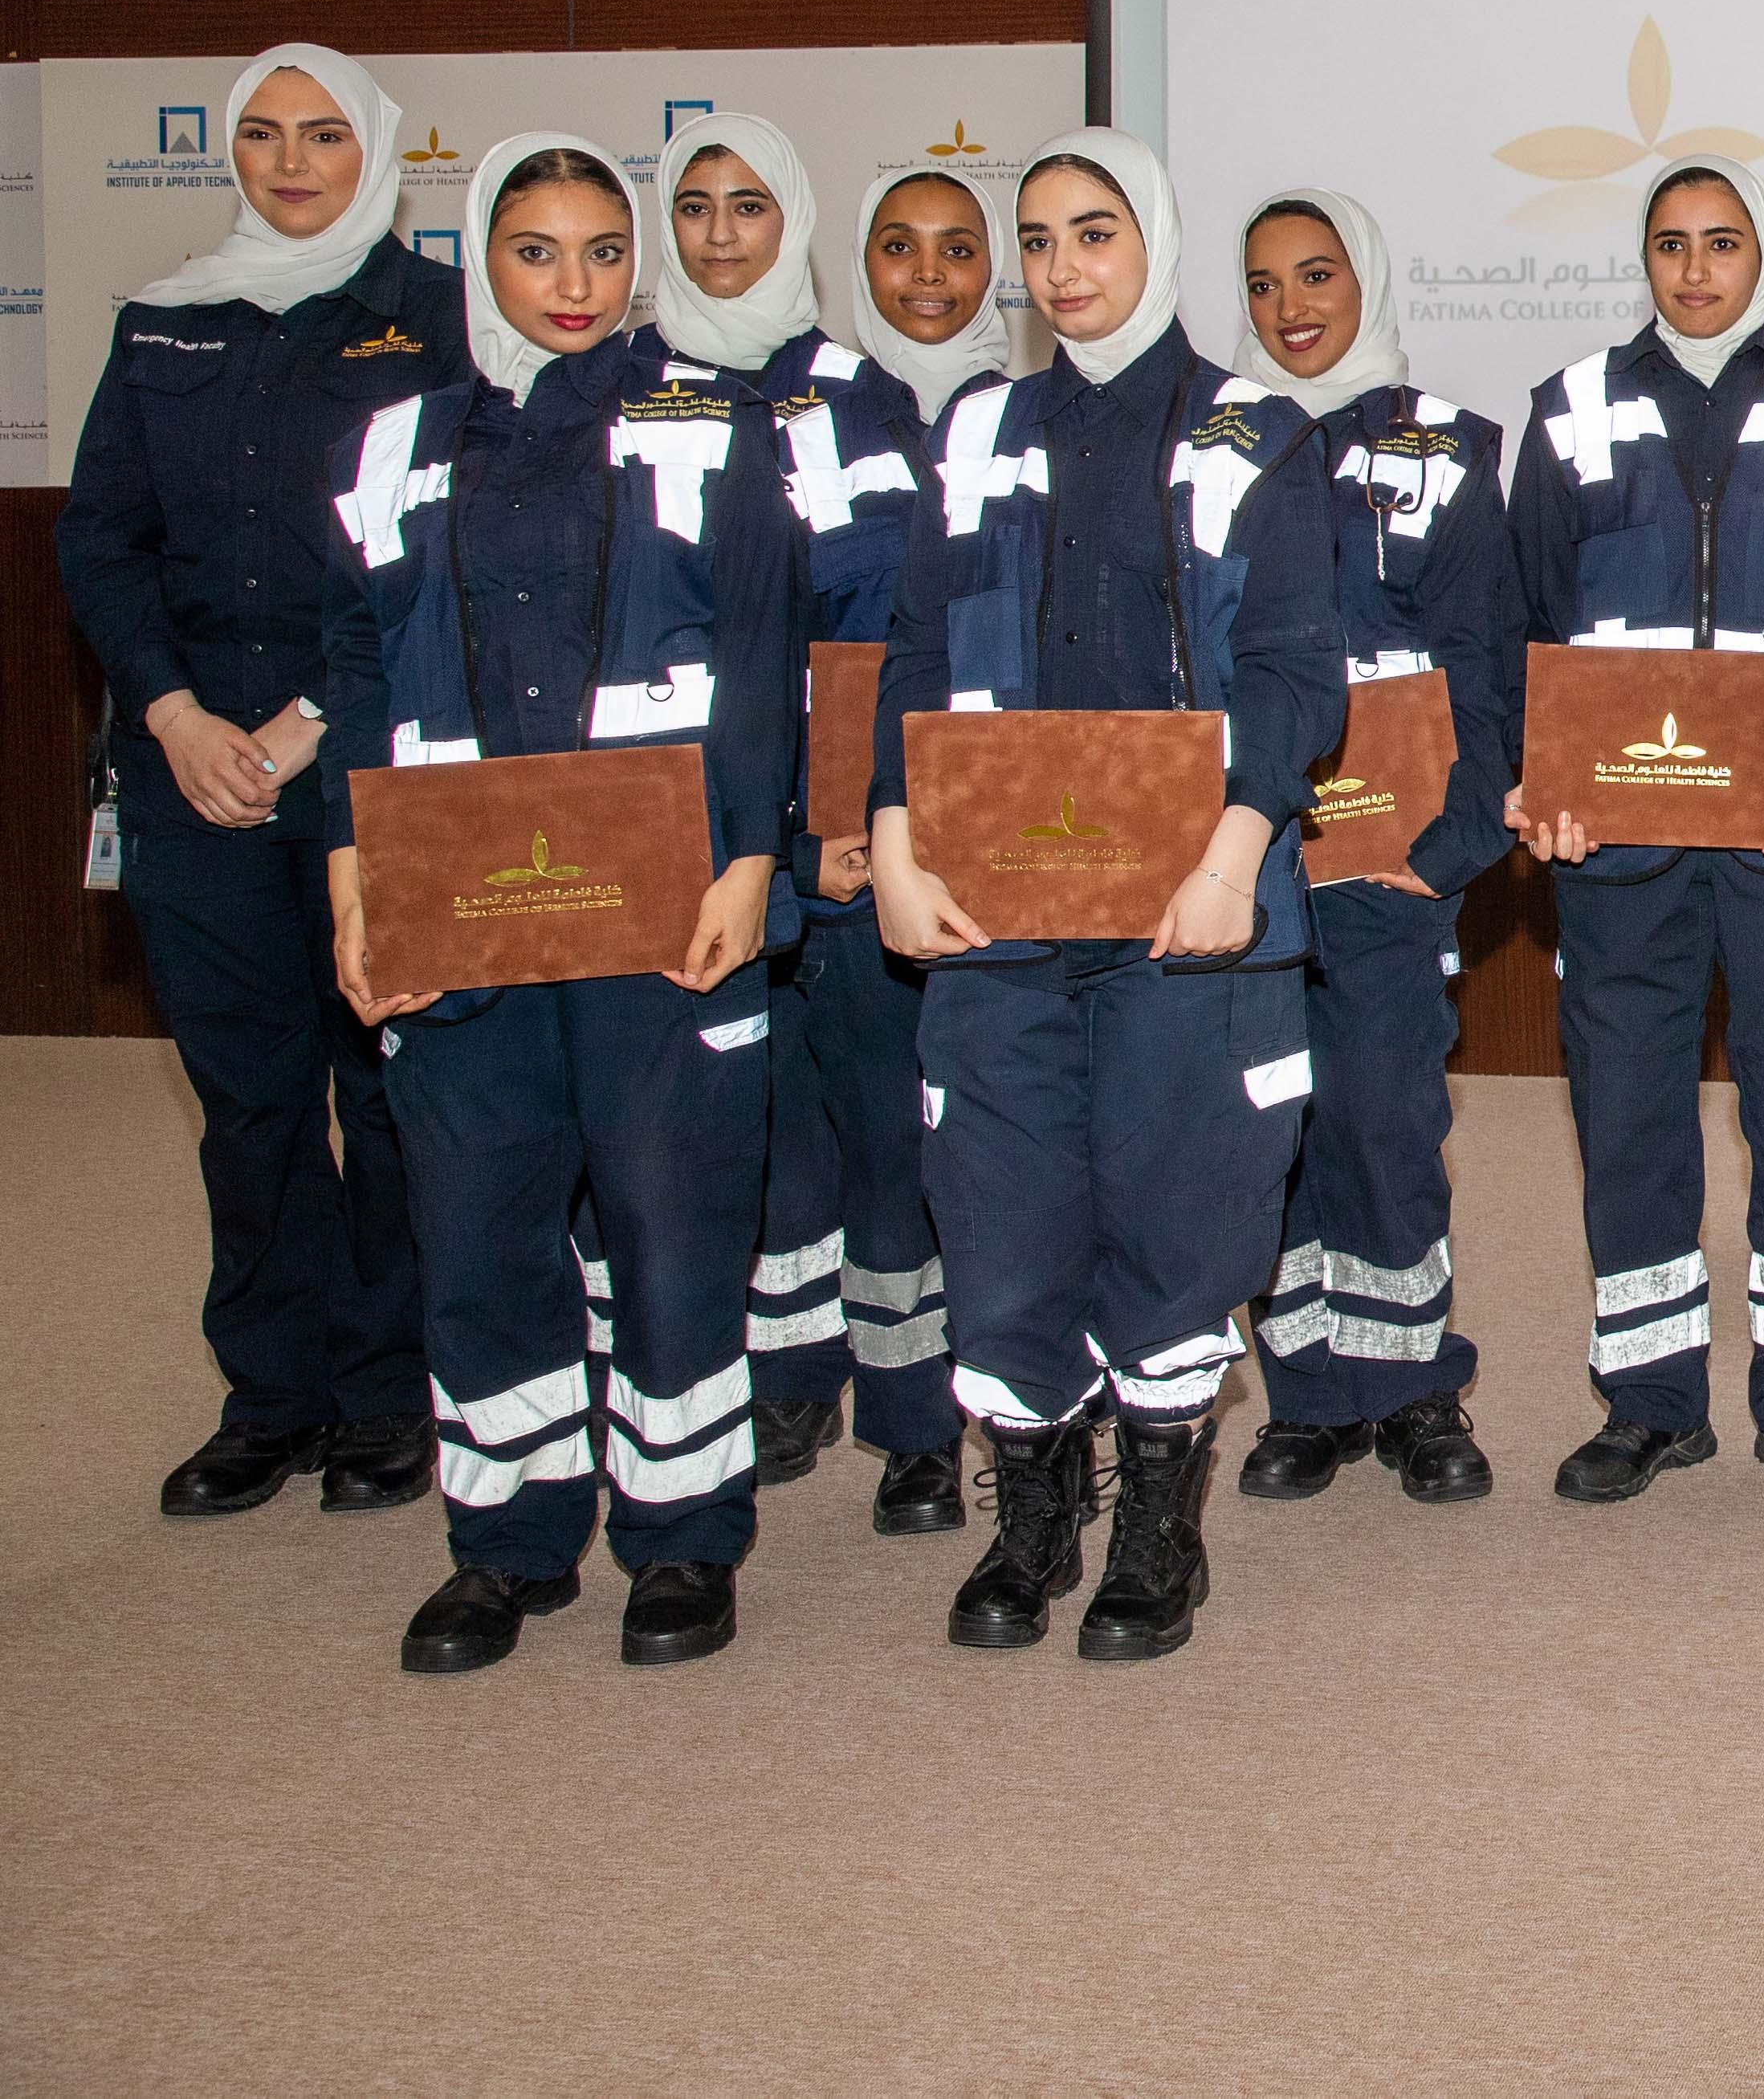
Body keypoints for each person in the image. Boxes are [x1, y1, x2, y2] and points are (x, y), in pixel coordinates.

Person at [320, 134, 800, 1673]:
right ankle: (507, 1538)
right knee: (477, 1223)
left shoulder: (712, 417)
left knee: (671, 1218)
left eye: (603, 251)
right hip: (456, 900)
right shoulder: (393, 441)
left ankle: (683, 1533)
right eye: (536, 252)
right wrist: (353, 880)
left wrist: (749, 861)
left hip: (667, 897)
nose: (573, 284)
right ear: (481, 260)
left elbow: (763, 652)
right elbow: (353, 671)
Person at [867, 129, 1339, 1662]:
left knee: (1179, 1215)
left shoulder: (1256, 430)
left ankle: (1155, 1527)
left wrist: (1233, 855)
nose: (1063, 267)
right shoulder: (975, 427)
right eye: (1041, 239)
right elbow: (916, 651)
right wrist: (892, 835)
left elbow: (1295, 673)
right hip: (996, 910)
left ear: (1154, 240)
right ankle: (1032, 1513)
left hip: (1188, 913)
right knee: (1000, 1217)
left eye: (1095, 232)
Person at [59, 43, 466, 1522]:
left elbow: (441, 545)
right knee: (249, 1098)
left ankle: (388, 1393)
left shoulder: (437, 319)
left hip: (364, 746)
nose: (293, 163)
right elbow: (101, 539)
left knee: (391, 1088)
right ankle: (270, 1398)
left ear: (376, 150)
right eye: (266, 135)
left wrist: (305, 724)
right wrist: (171, 716)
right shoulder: (164, 317)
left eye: (325, 135)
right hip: (190, 764)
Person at [1505, 157, 1764, 1508]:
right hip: (1619, 849)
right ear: (1645, 258)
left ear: (1762, 254)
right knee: (1628, 1118)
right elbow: (1528, 623)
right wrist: (1541, 776)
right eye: (1671, 243)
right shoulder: (1570, 407)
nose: (1696, 269)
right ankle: (1650, 1401)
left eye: (1722, 242)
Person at [653, 123, 990, 1532]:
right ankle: (789, 1372)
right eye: (696, 207)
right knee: (757, 1127)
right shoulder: (633, 397)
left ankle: (916, 1414)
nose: (723, 233)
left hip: (845, 842)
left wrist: (866, 821)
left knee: (886, 1123)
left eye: (750, 206)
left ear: (793, 225)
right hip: (699, 836)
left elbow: (903, 631)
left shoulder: (863, 398)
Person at [1232, 185, 1516, 1510]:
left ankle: (1410, 1385)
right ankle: (1306, 1392)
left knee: (1387, 1112)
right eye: (1264, 284)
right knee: (1272, 1122)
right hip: (1249, 851)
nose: (1290, 307)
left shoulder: (1446, 449)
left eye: (1316, 275)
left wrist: (1455, 844)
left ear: (1368, 281)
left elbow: (1484, 659)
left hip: (1395, 856)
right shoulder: (1218, 444)